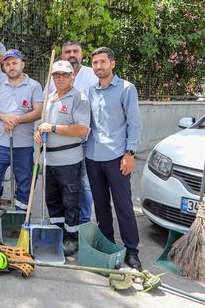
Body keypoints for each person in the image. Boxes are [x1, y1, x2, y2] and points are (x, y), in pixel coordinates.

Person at [84, 47, 143, 270]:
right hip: (92, 155)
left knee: (123, 205)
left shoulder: (126, 89)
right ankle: (108, 244)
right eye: (95, 63)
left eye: (102, 62)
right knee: (100, 205)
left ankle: (132, 251)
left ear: (112, 63)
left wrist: (130, 153)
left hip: (117, 157)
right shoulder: (91, 91)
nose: (98, 66)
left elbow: (134, 123)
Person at [34, 60, 90, 256]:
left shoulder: (79, 98)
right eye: (56, 75)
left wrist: (53, 128)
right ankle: (57, 233)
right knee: (53, 200)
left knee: (70, 201)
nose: (60, 78)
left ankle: (71, 237)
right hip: (48, 159)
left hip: (69, 160)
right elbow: (44, 125)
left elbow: (82, 129)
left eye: (64, 75)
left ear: (72, 76)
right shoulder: (50, 97)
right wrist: (39, 132)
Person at [0, 49, 43, 210]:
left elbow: (38, 112)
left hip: (23, 146)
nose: (11, 67)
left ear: (22, 64)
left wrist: (17, 119)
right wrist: (4, 116)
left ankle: (19, 219)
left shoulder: (34, 86)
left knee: (24, 182)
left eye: (14, 63)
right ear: (3, 67)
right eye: (7, 64)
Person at [49, 41, 98, 224]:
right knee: (64, 186)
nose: (72, 54)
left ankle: (83, 222)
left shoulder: (92, 75)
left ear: (82, 54)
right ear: (62, 56)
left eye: (75, 51)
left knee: (84, 184)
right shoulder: (53, 80)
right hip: (62, 143)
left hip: (87, 137)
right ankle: (64, 224)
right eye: (67, 51)